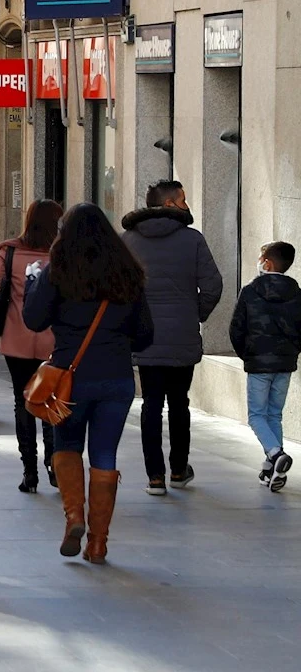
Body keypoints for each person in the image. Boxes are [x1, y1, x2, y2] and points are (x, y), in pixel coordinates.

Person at [24, 203, 154, 565]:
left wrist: (36, 283)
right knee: (104, 454)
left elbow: (34, 321)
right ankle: (98, 543)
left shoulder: (58, 271)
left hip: (71, 377)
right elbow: (145, 336)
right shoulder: (127, 272)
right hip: (116, 379)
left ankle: (73, 517)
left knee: (66, 443)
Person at [121, 180, 223, 495]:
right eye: (183, 199)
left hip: (144, 337)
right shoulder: (192, 240)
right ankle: (179, 469)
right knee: (180, 403)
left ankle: (155, 476)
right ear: (169, 204)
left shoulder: (128, 241)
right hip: (181, 335)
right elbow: (213, 285)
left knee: (151, 403)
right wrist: (195, 313)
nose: (186, 204)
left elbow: (117, 288)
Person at [0, 199, 63, 493]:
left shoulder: (11, 252)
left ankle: (29, 471)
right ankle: (55, 463)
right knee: (52, 402)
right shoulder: (61, 255)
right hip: (53, 343)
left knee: (23, 403)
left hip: (17, 341)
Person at [230, 242, 301, 492]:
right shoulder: (296, 292)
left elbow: (236, 328)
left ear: (267, 263)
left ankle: (275, 453)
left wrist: (247, 355)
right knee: (274, 414)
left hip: (259, 363)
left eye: (262, 256)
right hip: (285, 363)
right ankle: (271, 468)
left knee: (257, 415)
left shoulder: (250, 291)